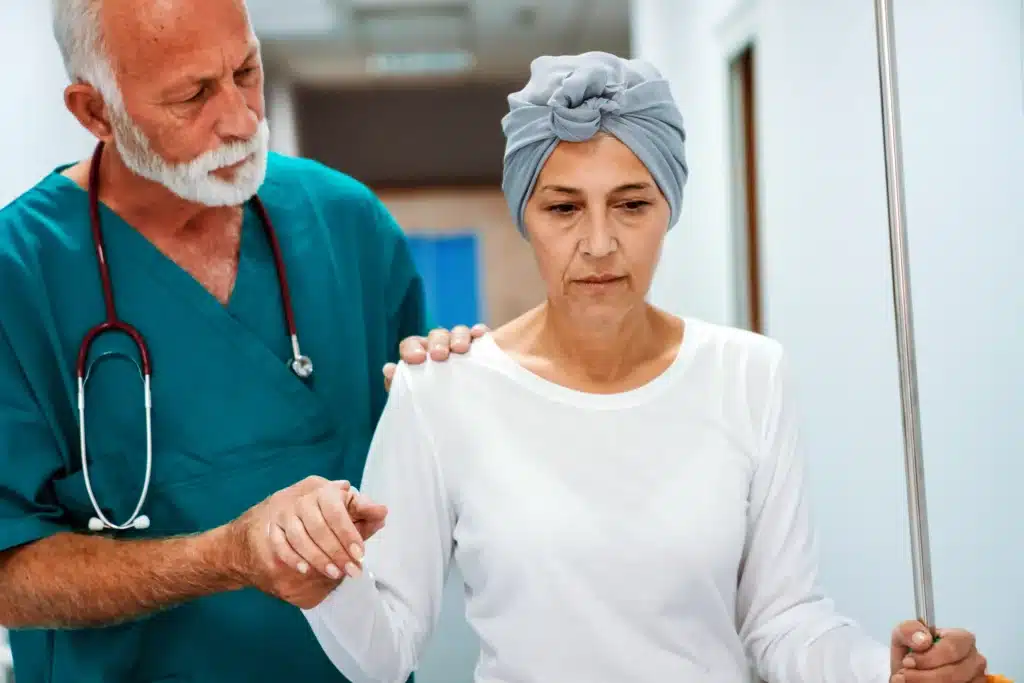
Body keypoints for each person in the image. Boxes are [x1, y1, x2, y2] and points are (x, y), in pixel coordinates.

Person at [265, 52, 999, 683]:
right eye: (562, 208)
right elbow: (386, 651)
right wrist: (322, 583)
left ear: (669, 207)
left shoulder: (749, 374)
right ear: (525, 216)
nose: (599, 243)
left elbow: (781, 620)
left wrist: (887, 669)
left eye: (631, 204)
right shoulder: (441, 391)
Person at [0, 0, 482, 682]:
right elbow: (8, 574)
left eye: (246, 71)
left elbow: (425, 481)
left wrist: (481, 394)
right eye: (192, 94)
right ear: (95, 113)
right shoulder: (19, 273)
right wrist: (228, 555)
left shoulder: (346, 224)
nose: (240, 118)